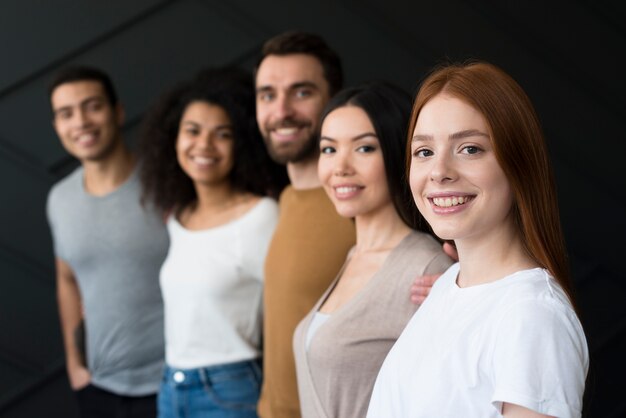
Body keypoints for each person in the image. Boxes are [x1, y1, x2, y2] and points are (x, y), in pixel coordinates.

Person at [367, 61, 589, 418]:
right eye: (424, 152)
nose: (439, 172)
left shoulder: (530, 316)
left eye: (470, 149)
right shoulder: (447, 287)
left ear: (520, 163)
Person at [292, 81, 453, 418]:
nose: (340, 167)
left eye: (364, 148)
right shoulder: (354, 257)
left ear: (397, 154)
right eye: (328, 149)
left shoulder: (427, 268)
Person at [139, 67, 285, 418]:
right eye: (192, 131)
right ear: (173, 138)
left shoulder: (261, 216)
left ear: (242, 145)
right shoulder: (178, 217)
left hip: (231, 388)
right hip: (170, 386)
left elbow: (291, 313)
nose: (203, 145)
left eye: (222, 134)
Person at [46, 66, 169, 417]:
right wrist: (75, 367)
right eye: (66, 114)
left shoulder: (166, 182)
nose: (81, 121)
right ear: (57, 127)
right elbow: (67, 279)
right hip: (100, 390)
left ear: (118, 111)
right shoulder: (59, 199)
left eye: (92, 106)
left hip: (179, 380)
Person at [253, 32, 356, 418]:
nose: (281, 111)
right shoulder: (285, 198)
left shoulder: (362, 207)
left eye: (301, 92)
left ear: (334, 100)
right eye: (267, 94)